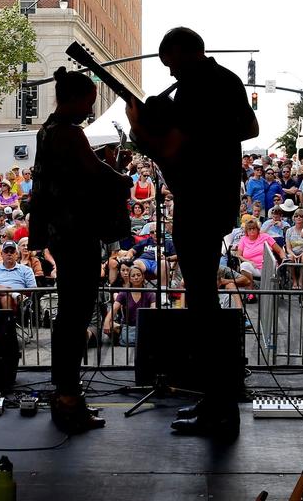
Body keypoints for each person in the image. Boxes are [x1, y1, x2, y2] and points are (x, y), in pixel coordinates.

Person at [127, 26, 258, 438]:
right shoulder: (228, 81)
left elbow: (168, 150)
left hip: (199, 202)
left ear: (188, 53)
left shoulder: (196, 90)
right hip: (215, 200)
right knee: (203, 303)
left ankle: (219, 409)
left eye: (173, 64)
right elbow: (249, 127)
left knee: (202, 306)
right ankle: (214, 401)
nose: (170, 74)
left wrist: (138, 127)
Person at [102, 264, 155, 345]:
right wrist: (106, 322)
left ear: (143, 277)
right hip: (127, 326)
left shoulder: (149, 293)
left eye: (138, 275)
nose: (136, 277)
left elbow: (153, 310)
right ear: (129, 279)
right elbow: (114, 308)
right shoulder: (124, 293)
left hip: (144, 327)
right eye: (133, 276)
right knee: (110, 324)